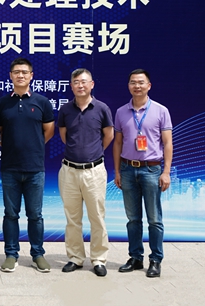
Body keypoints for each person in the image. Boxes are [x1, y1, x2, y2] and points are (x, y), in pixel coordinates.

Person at [0, 57, 55, 273]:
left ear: (31, 76)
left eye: (24, 72)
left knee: (35, 215)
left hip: (35, 168)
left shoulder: (42, 102)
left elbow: (49, 130)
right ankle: (11, 254)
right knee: (10, 214)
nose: (20, 75)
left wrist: (33, 145)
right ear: (10, 76)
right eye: (16, 72)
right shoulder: (1, 103)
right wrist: (12, 145)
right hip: (9, 167)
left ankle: (38, 254)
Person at [112, 69, 173, 278]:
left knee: (154, 219)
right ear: (128, 86)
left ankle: (155, 260)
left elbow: (167, 143)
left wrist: (166, 172)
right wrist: (117, 171)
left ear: (149, 85)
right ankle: (135, 257)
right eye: (133, 82)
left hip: (151, 169)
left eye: (140, 82)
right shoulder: (121, 112)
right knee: (133, 218)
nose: (136, 86)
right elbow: (117, 143)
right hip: (128, 169)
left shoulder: (161, 111)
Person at [56, 68, 114, 277]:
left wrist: (93, 153)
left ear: (92, 84)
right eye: (76, 82)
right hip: (69, 171)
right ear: (71, 86)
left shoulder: (102, 108)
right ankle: (75, 257)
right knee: (73, 218)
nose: (80, 85)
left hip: (94, 171)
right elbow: (64, 136)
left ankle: (98, 259)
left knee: (97, 217)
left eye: (84, 81)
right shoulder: (65, 109)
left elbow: (108, 135)